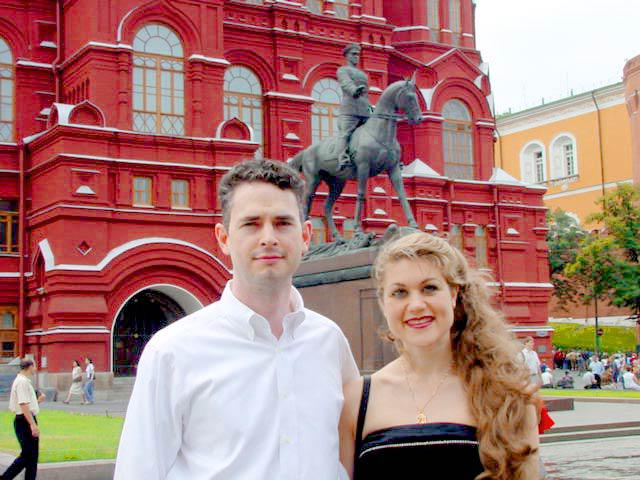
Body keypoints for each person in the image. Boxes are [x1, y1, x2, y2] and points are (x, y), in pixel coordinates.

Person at [115, 159, 359, 479]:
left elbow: (351, 448)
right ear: (224, 238)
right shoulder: (173, 351)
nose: (268, 237)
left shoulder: (329, 341)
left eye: (283, 223)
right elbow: (138, 470)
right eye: (251, 224)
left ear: (306, 236)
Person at [339, 232, 539, 480]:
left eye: (429, 288)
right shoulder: (356, 400)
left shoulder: (508, 395)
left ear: (453, 295)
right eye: (400, 292)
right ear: (383, 303)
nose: (416, 305)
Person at [1, 358, 45, 480]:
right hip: (24, 421)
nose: (35, 369)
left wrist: (37, 401)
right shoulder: (22, 382)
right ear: (30, 366)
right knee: (27, 455)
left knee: (32, 456)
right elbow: (23, 404)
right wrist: (32, 424)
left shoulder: (23, 381)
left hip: (25, 418)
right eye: (34, 366)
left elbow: (26, 404)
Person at [336, 43, 372, 170]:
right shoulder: (343, 70)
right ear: (347, 56)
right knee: (346, 134)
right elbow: (346, 83)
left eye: (358, 54)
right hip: (349, 110)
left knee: (376, 132)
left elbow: (366, 95)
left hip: (364, 111)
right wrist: (354, 90)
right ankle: (343, 157)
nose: (357, 57)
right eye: (354, 54)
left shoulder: (363, 74)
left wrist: (371, 108)